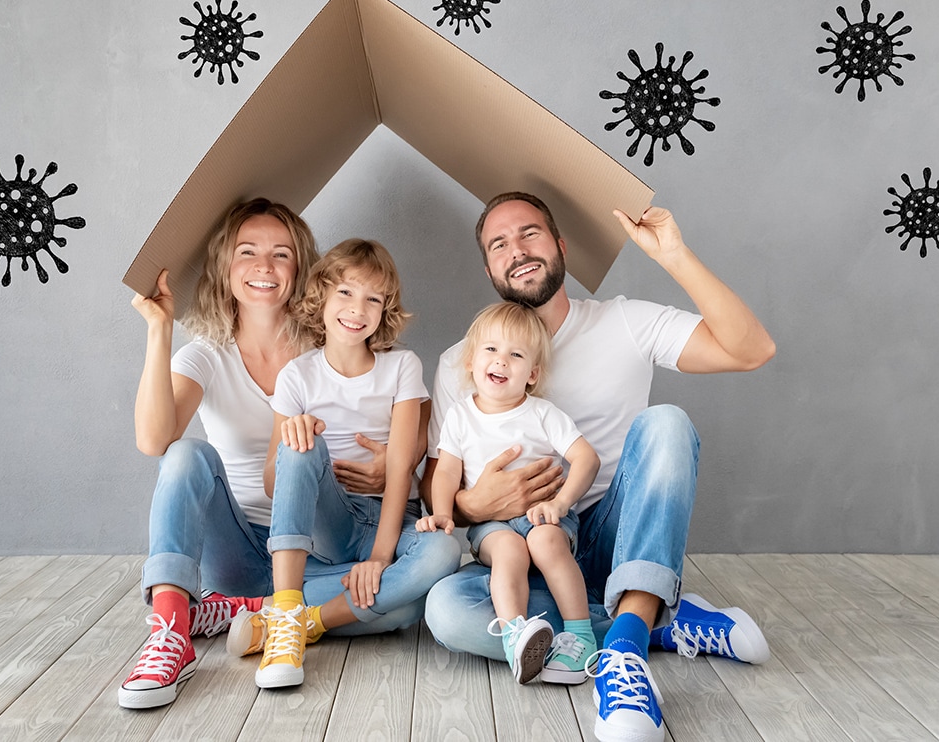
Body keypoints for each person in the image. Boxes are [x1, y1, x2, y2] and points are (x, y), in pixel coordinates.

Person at [422, 193, 775, 742]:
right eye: (499, 244)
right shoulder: (461, 363)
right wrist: (473, 505)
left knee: (666, 423)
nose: (517, 250)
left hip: (613, 537)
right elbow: (438, 476)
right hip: (524, 553)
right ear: (489, 267)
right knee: (447, 609)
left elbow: (751, 349)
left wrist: (675, 254)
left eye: (530, 233)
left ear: (560, 246)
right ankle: (655, 617)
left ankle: (625, 655)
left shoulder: (625, 322)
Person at [119, 200, 458, 709]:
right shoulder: (207, 354)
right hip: (238, 543)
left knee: (404, 611)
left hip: (321, 548)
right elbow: (152, 440)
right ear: (223, 266)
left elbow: (418, 418)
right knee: (185, 455)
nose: (264, 266)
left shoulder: (329, 341)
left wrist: (396, 459)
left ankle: (253, 614)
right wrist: (159, 327)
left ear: (301, 270)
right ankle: (171, 630)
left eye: (281, 254)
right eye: (247, 252)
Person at [249, 238, 460, 688]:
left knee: (440, 556)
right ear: (321, 296)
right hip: (332, 522)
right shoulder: (297, 376)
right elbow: (272, 481)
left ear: (385, 310)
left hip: (391, 519)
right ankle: (288, 608)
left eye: (373, 299)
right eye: (345, 292)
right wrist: (295, 436)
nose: (356, 308)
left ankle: (303, 620)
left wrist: (381, 559)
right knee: (301, 443)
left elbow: (401, 468)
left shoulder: (401, 366)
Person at [418, 301, 601, 685]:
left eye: (515, 354)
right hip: (492, 525)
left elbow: (586, 458)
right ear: (470, 361)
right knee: (508, 549)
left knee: (547, 542)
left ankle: (580, 635)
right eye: (490, 349)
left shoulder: (542, 413)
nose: (501, 361)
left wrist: (560, 501)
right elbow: (447, 470)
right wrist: (443, 512)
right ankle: (515, 636)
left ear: (532, 374)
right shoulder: (460, 416)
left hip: (543, 516)